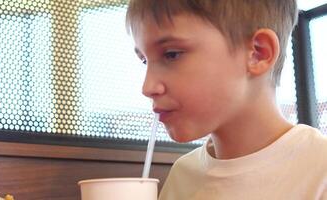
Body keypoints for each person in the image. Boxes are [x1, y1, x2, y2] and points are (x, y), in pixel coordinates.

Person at [126, 0, 327, 199]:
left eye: (171, 55)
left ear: (258, 53)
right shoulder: (182, 175)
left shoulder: (320, 170)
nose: (148, 87)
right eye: (145, 60)